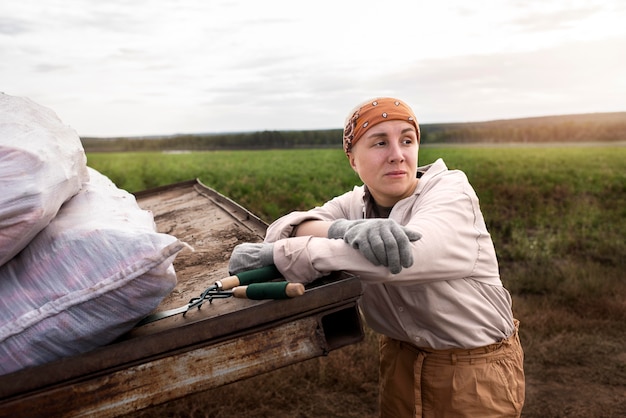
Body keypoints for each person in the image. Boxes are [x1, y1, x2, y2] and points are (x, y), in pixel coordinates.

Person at [228, 97, 525, 417]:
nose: (397, 155)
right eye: (380, 142)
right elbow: (284, 227)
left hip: (473, 371)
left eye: (407, 141)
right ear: (353, 160)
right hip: (399, 358)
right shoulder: (355, 203)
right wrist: (343, 227)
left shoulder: (451, 192)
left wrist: (288, 254)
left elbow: (404, 256)